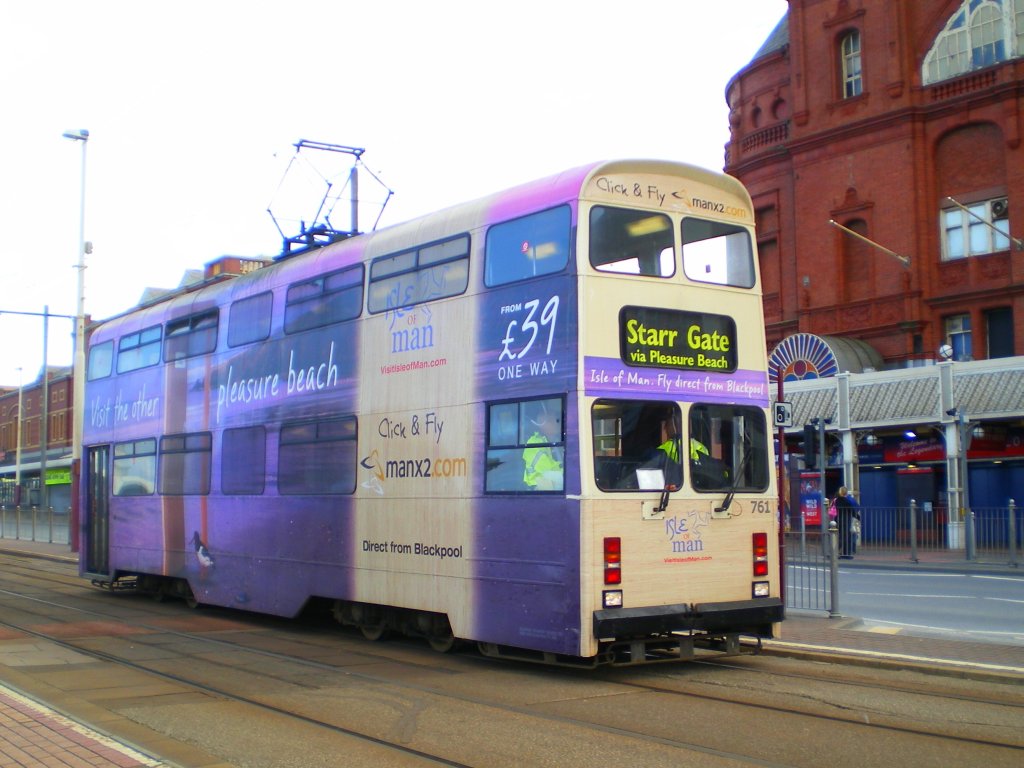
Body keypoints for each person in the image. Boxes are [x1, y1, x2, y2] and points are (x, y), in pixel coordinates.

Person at [523, 402, 563, 490]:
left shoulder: (555, 441)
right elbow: (548, 471)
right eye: (555, 421)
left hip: (553, 486)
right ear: (545, 424)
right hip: (538, 490)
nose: (558, 424)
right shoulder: (534, 444)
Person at [833, 486, 860, 559]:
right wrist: (858, 517)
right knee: (846, 537)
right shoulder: (847, 501)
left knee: (841, 537)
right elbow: (852, 511)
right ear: (846, 492)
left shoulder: (837, 500)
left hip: (838, 520)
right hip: (846, 520)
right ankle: (845, 554)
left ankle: (839, 553)